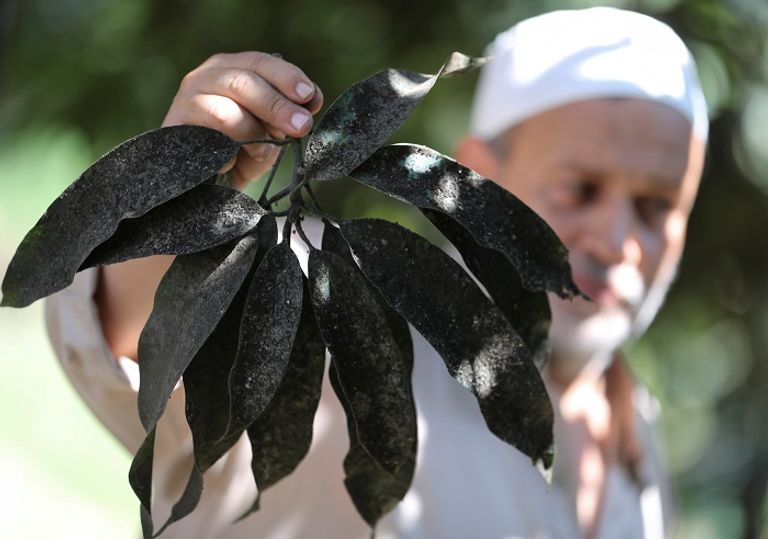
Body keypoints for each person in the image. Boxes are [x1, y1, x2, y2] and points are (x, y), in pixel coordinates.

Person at [44, 7, 707, 539]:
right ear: (476, 178)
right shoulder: (337, 315)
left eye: (656, 207)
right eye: (581, 188)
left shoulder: (635, 436)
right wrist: (178, 200)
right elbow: (130, 345)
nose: (620, 240)